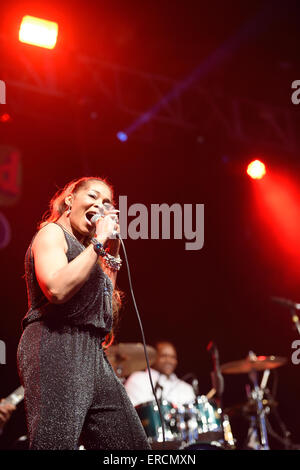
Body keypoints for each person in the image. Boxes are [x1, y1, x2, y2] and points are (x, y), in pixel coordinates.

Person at [17, 176, 150, 450]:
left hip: (93, 355)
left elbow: (104, 316)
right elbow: (56, 288)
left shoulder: (93, 253)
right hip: (55, 343)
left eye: (107, 203)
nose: (100, 205)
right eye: (92, 197)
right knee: (54, 444)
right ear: (69, 200)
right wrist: (99, 241)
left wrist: (108, 256)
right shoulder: (53, 233)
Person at [125, 341, 196, 407]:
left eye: (173, 357)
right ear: (153, 358)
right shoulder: (138, 379)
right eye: (164, 356)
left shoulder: (186, 388)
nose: (169, 360)